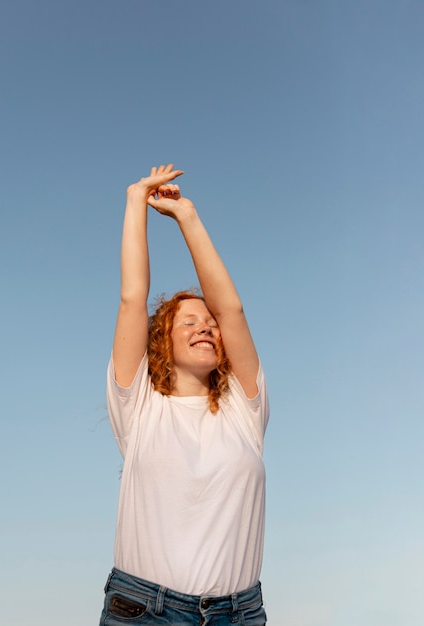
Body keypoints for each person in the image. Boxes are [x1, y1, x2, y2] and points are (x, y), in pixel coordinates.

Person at [99, 164, 269, 625]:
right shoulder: (139, 407)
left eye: (209, 324)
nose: (207, 328)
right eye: (189, 322)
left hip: (239, 613)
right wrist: (137, 199)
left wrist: (187, 216)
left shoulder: (243, 407)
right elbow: (134, 298)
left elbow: (230, 308)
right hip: (145, 610)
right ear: (162, 341)